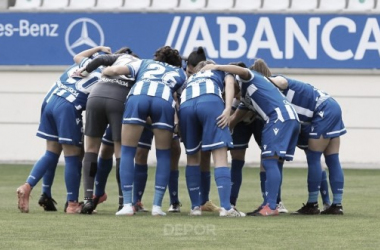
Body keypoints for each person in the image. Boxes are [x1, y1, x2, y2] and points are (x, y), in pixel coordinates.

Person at [16, 46, 111, 213]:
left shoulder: (79, 64)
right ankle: (72, 203)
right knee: (73, 156)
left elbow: (78, 55)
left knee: (51, 153)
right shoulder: (105, 75)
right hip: (68, 107)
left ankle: (29, 186)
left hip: (51, 102)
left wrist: (99, 47)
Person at [201, 62, 300, 216]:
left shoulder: (248, 78)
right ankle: (269, 203)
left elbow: (242, 70)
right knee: (272, 161)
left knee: (269, 161)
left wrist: (217, 67)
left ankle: (272, 206)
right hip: (288, 117)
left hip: (279, 118)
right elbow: (234, 118)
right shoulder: (247, 96)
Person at [251, 59, 346, 215]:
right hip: (329, 106)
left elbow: (282, 81)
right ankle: (336, 204)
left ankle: (312, 204)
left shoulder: (275, 82)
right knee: (332, 158)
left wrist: (260, 80)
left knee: (314, 157)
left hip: (322, 111)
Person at [104, 46, 187, 216]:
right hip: (163, 101)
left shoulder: (143, 63)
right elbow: (181, 99)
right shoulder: (181, 73)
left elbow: (115, 70)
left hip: (138, 97)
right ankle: (157, 206)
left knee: (127, 151)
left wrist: (106, 69)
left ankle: (127, 204)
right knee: (163, 154)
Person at [74, 47, 140, 214]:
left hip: (96, 96)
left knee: (91, 149)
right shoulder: (141, 64)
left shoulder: (118, 58)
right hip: (118, 100)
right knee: (121, 152)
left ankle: (88, 199)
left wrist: (85, 70)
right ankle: (123, 202)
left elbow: (100, 60)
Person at [179, 60, 243, 217]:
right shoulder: (219, 70)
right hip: (210, 101)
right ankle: (227, 208)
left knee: (192, 158)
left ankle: (195, 208)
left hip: (185, 105)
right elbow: (229, 84)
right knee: (220, 156)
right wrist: (228, 107)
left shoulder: (191, 78)